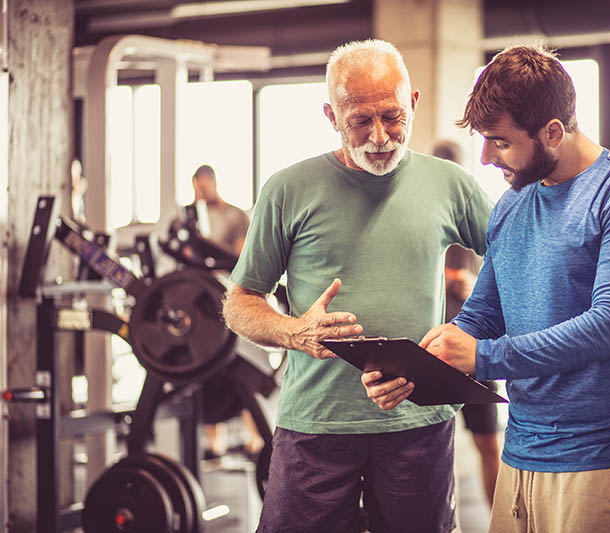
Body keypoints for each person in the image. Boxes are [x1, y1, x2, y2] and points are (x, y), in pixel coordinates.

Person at [365, 43, 610, 532]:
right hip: (522, 456)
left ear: (553, 132)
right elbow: (483, 314)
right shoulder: (513, 206)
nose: (488, 157)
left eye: (501, 141)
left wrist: (484, 357)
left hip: (603, 461)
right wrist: (419, 364)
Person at [222, 39, 492, 533]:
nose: (380, 137)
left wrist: (473, 334)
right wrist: (293, 332)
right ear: (331, 116)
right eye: (359, 122)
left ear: (413, 102)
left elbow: (512, 265)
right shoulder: (287, 190)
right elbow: (239, 302)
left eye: (391, 116)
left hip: (418, 424)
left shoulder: (451, 185)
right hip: (317, 426)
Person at [433, 140, 502, 508]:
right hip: (434, 344)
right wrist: (439, 276)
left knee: (489, 443)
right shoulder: (425, 215)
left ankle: (501, 523)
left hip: (473, 346)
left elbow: (496, 275)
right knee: (434, 446)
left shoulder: (480, 216)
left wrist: (469, 283)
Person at [183, 164, 260, 458]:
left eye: (204, 187)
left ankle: (255, 440)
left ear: (213, 183)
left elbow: (241, 257)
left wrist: (210, 251)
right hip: (202, 300)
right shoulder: (192, 218)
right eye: (196, 188)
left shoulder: (235, 216)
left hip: (230, 294)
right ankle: (214, 445)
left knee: (245, 367)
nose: (200, 193)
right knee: (209, 374)